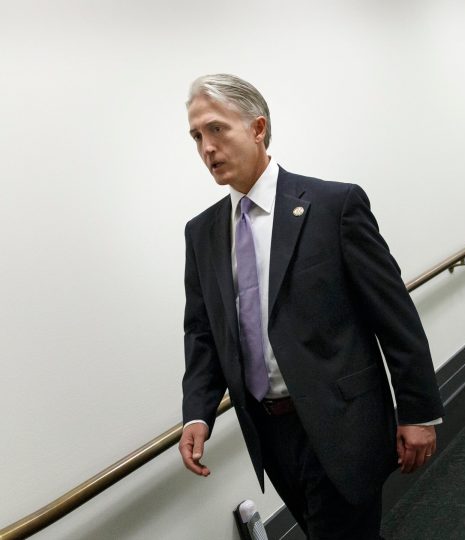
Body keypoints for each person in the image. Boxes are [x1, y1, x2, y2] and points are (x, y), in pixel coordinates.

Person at [178, 73, 444, 539]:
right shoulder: (202, 233)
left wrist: (417, 411)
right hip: (269, 431)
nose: (206, 148)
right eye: (197, 135)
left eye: (217, 129)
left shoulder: (332, 205)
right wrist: (197, 412)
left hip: (342, 421)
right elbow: (202, 332)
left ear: (257, 128)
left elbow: (394, 314)